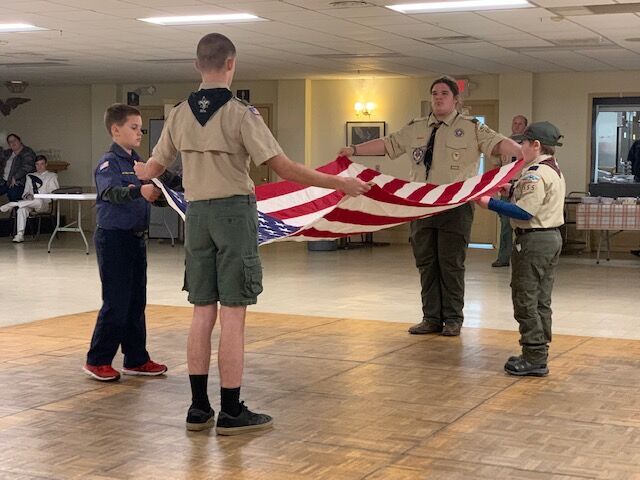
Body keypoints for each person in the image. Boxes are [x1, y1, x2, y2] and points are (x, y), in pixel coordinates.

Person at [134, 33, 370, 435]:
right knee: (234, 315)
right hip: (232, 215)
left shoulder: (177, 114)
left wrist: (139, 172)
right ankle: (231, 410)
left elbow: (151, 170)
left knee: (202, 311)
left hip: (197, 216)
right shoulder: (242, 114)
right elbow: (285, 169)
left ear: (196, 65)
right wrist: (338, 184)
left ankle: (197, 409)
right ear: (232, 64)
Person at [339, 76, 521, 337]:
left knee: (451, 263)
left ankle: (453, 319)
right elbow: (389, 144)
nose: (438, 97)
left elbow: (499, 143)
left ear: (456, 99)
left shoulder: (471, 127)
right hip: (421, 204)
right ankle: (431, 317)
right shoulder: (417, 127)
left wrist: (520, 152)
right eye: (434, 93)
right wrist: (354, 148)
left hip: (454, 205)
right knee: (426, 262)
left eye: (444, 93)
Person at [83, 104, 168, 382]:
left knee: (136, 301)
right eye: (133, 127)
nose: (139, 132)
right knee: (116, 301)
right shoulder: (109, 162)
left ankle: (136, 358)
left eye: (140, 128)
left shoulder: (139, 163)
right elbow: (110, 192)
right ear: (115, 129)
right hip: (114, 239)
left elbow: (151, 189)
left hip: (136, 239)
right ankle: (97, 359)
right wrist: (137, 191)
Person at [474, 121, 566, 376]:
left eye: (523, 143)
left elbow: (524, 211)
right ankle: (539, 350)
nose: (520, 147)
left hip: (534, 241)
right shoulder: (551, 168)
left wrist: (488, 203)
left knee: (525, 298)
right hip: (549, 237)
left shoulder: (535, 172)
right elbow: (535, 198)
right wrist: (511, 189)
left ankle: (534, 356)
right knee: (540, 299)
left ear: (536, 145)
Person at [492, 114, 528, 268]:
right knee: (506, 225)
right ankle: (503, 257)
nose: (517, 126)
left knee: (524, 225)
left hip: (523, 188)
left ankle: (524, 257)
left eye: (520, 124)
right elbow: (496, 167)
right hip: (507, 187)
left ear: (525, 127)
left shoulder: (530, 146)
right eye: (515, 123)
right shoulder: (504, 145)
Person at [0, 155, 59, 243]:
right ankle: (19, 235)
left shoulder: (52, 176)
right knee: (21, 210)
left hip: (44, 204)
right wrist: (27, 196)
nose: (39, 167)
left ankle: (13, 204)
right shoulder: (30, 176)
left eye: (42, 164)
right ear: (35, 165)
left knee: (38, 200)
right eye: (37, 164)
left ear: (46, 164)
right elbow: (25, 193)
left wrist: (38, 196)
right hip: (29, 203)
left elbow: (54, 195)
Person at [0, 134, 36, 202]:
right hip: (4, 181)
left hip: (19, 182)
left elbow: (28, 166)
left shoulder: (27, 152)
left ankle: (15, 210)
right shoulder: (8, 152)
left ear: (19, 141)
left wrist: (15, 177)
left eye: (14, 140)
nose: (13, 143)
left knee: (13, 194)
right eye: (10, 142)